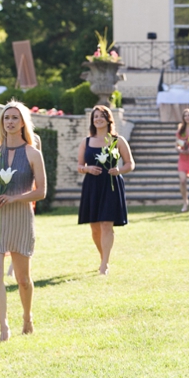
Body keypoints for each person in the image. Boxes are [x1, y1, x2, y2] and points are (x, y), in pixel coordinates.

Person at [0, 102, 48, 341]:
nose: (10, 121)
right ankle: (3, 326)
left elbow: (41, 192)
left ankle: (27, 317)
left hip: (20, 218)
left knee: (23, 279)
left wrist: (14, 198)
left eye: (14, 118)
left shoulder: (32, 153)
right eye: (6, 117)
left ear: (22, 122)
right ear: (2, 122)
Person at [78, 105, 135, 275]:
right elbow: (79, 165)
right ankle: (103, 257)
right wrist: (87, 169)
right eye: (95, 116)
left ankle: (104, 264)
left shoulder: (118, 140)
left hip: (111, 184)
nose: (98, 119)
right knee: (95, 227)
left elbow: (130, 164)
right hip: (92, 186)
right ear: (92, 120)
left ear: (109, 119)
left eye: (102, 116)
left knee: (106, 224)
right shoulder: (86, 142)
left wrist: (119, 170)